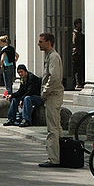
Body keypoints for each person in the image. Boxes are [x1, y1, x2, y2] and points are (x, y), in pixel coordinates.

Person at [37, 32, 64, 168]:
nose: (38, 44)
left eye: (41, 42)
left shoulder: (53, 56)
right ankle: (59, 155)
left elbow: (54, 78)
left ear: (48, 42)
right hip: (53, 95)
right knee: (56, 127)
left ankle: (54, 158)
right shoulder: (50, 56)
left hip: (53, 95)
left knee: (52, 128)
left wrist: (45, 92)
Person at [71, 18, 84, 90]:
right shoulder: (74, 33)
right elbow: (74, 44)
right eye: (80, 24)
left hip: (79, 54)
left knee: (79, 70)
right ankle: (76, 83)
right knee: (76, 70)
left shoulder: (79, 34)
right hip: (76, 55)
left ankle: (79, 83)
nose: (81, 25)